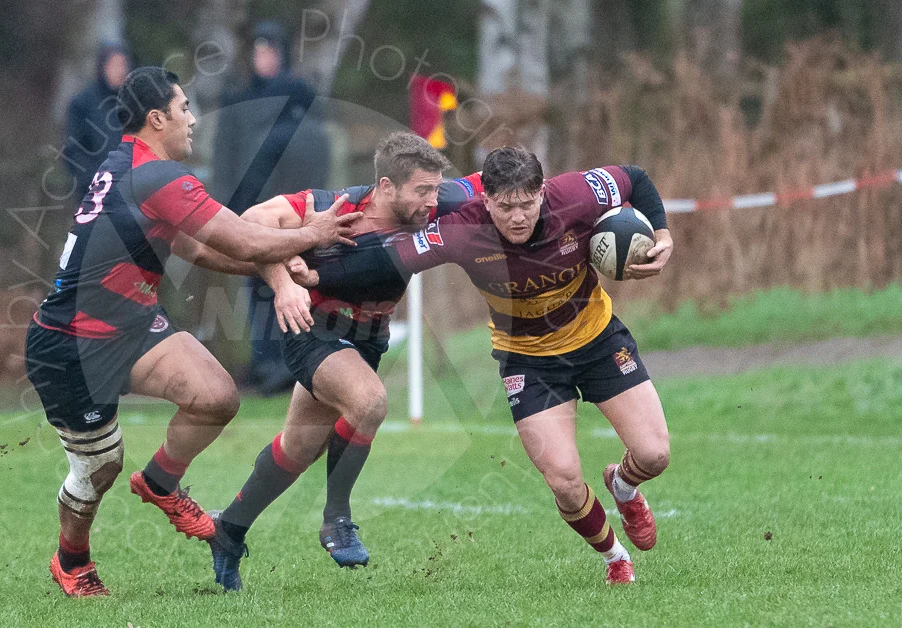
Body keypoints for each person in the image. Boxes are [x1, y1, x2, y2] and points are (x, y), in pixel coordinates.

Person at [25, 66, 362, 597]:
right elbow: (245, 239)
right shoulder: (159, 178)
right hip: (72, 344)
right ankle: (72, 559)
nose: (193, 120)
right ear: (157, 119)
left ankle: (160, 482)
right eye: (185, 109)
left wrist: (277, 264)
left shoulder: (127, 167)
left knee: (216, 396)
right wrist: (314, 232)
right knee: (99, 467)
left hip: (130, 325)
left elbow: (203, 249)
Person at [293, 147, 674, 585]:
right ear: (486, 198)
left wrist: (663, 236)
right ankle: (615, 558)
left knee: (654, 454)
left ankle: (622, 485)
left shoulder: (578, 195)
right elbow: (382, 259)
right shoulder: (460, 229)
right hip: (529, 362)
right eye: (506, 207)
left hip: (598, 340)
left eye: (527, 204)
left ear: (542, 192)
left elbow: (635, 176)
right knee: (565, 482)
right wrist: (316, 274)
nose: (517, 217)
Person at [204, 132, 483, 591]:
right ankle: (336, 519)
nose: (433, 202)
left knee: (299, 446)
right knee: (370, 402)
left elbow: (493, 185)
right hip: (313, 328)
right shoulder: (333, 206)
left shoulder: (438, 199)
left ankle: (228, 530)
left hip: (369, 338)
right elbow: (252, 223)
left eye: (437, 190)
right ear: (387, 186)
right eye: (422, 191)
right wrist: (284, 281)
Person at [212, 21, 331, 395]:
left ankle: (295, 362)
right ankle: (267, 364)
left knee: (300, 280)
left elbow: (316, 150)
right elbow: (225, 158)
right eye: (258, 51)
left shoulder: (300, 96)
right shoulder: (237, 100)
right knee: (259, 284)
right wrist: (227, 210)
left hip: (295, 210)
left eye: (270, 51)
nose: (264, 58)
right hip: (252, 212)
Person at [63, 43, 133, 205]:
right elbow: (73, 149)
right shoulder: (83, 103)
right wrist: (94, 181)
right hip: (93, 195)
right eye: (114, 65)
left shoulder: (133, 103)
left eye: (123, 65)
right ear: (103, 67)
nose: (120, 71)